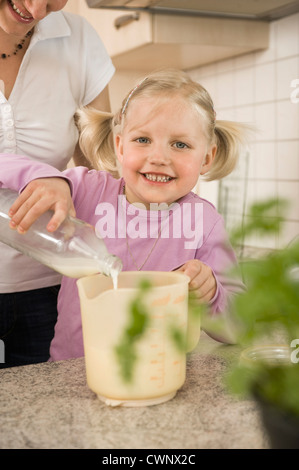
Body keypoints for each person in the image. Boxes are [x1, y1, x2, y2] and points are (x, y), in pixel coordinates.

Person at [0, 68, 248, 362]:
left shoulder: (204, 223)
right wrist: (45, 178)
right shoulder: (84, 190)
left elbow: (241, 328)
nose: (158, 157)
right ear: (119, 145)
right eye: (142, 140)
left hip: (158, 374)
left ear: (207, 157)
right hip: (71, 375)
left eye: (180, 144)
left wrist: (212, 294)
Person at [0, 0, 115, 367]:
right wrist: (38, 173)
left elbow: (101, 164)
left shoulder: (77, 39)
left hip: (51, 284)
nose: (35, 9)